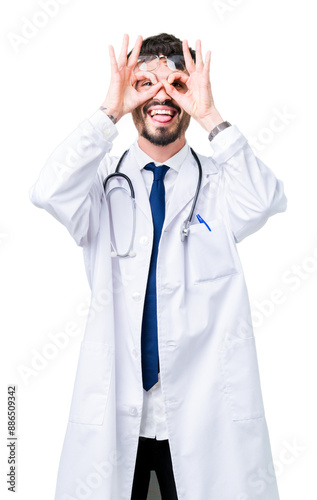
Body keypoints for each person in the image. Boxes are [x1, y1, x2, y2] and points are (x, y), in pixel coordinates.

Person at [29, 33, 287, 500]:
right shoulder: (100, 181)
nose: (161, 97)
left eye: (175, 85)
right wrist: (108, 111)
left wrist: (211, 116)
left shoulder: (220, 184)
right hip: (116, 413)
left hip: (206, 415)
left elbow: (266, 201)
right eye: (146, 83)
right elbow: (48, 190)